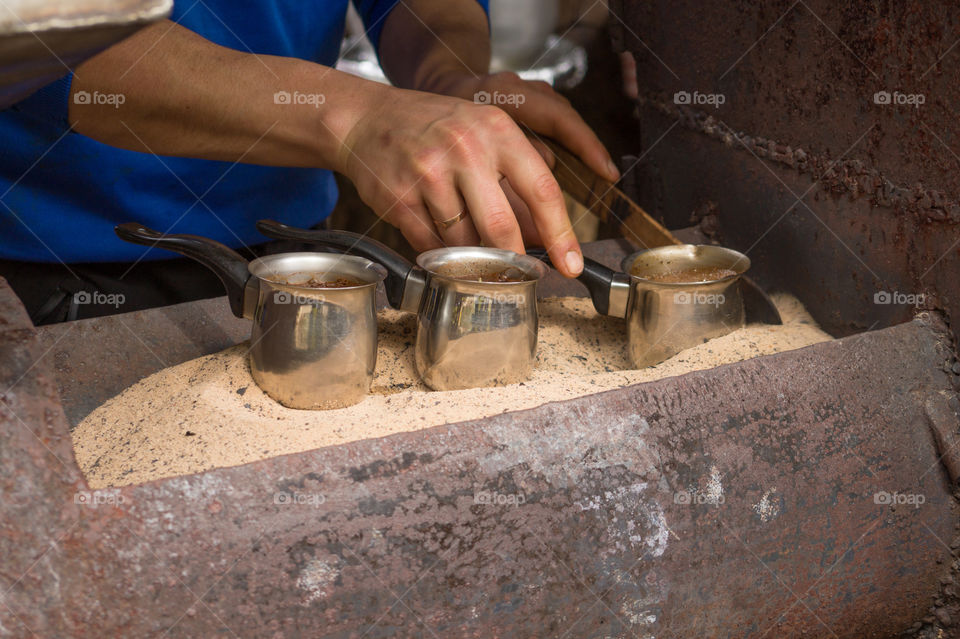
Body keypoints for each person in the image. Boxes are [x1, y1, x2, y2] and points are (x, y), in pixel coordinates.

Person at [0, 0, 619, 323]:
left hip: (293, 247)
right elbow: (36, 33)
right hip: (51, 261)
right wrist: (357, 117)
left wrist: (444, 79)